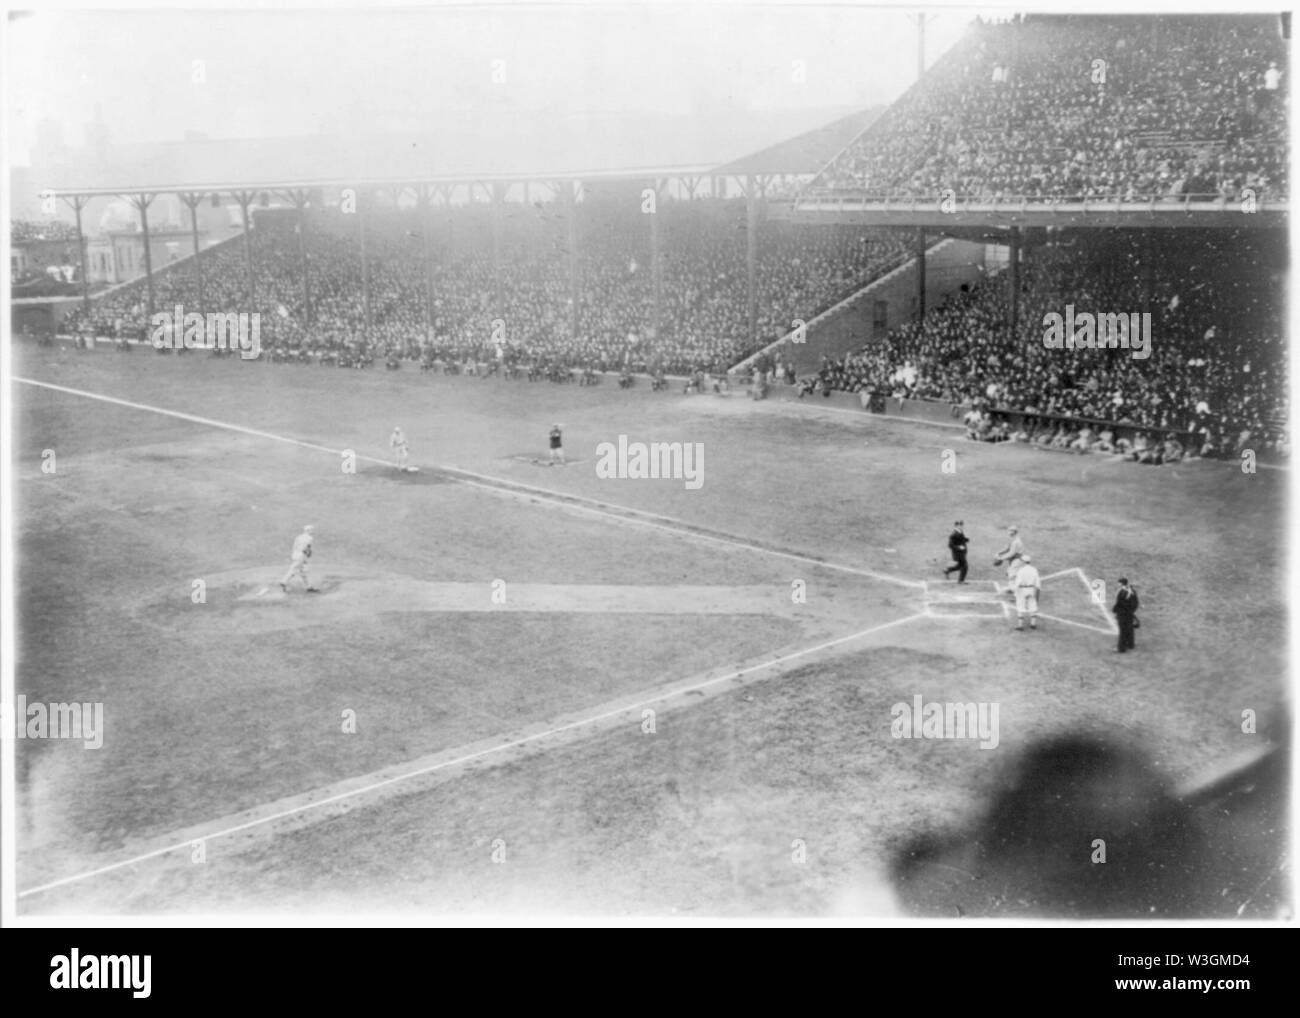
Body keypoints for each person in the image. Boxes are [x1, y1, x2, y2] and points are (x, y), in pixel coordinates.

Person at [280, 525, 320, 593]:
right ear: (308, 530)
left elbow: (294, 546)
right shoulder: (310, 538)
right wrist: (308, 554)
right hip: (301, 555)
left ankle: (309, 587)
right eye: (311, 530)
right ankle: (284, 581)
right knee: (294, 569)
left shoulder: (298, 537)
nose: (312, 531)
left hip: (295, 554)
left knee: (303, 571)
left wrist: (295, 554)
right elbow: (307, 548)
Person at [1012, 554, 1041, 631]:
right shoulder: (1034, 569)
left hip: (1022, 590)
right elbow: (1037, 582)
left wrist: (1015, 592)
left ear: (1024, 562)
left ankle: (1020, 626)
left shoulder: (1021, 571)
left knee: (1020, 606)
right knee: (1033, 605)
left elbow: (1018, 582)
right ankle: (1033, 624)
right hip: (1031, 589)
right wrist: (1037, 591)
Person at [1112, 577, 1140, 653]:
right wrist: (1132, 612)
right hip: (1130, 613)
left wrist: (1115, 611)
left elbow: (1119, 604)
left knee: (1122, 631)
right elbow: (1136, 603)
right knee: (1130, 629)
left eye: (1118, 583)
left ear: (1121, 584)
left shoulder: (1121, 592)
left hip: (1123, 614)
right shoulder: (1132, 590)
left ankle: (1121, 648)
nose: (1117, 584)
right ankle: (1131, 644)